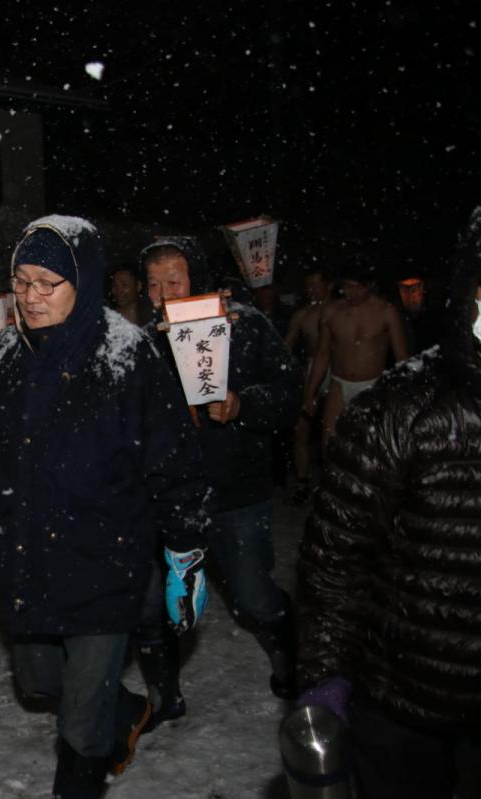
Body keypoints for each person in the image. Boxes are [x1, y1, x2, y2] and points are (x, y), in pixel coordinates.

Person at [0, 216, 210, 798]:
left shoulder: (129, 357)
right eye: (21, 282)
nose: (31, 297)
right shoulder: (6, 355)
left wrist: (185, 548)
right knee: (40, 680)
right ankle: (123, 709)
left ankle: (88, 759)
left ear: (84, 282)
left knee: (79, 726)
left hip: (104, 562)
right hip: (29, 556)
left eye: (48, 282)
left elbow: (175, 462)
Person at [296, 208, 481, 799]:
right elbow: (337, 560)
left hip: (379, 384)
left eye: (352, 282)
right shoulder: (397, 404)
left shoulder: (382, 315)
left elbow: (400, 352)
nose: (347, 289)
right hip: (405, 694)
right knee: (347, 485)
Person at [140, 236, 302, 700]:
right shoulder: (147, 339)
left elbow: (289, 392)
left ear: (197, 278)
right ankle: (163, 695)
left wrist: (242, 404)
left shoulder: (244, 324)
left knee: (254, 595)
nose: (163, 293)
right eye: (153, 283)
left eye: (174, 280)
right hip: (170, 497)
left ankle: (289, 653)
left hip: (237, 492)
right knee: (155, 601)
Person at [302, 262, 409, 447]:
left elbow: (402, 358)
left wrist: (404, 395)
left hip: (372, 385)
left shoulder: (386, 312)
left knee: (372, 446)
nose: (351, 292)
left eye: (357, 287)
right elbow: (322, 355)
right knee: (330, 444)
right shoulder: (331, 312)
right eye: (347, 286)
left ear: (369, 286)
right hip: (339, 384)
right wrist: (310, 393)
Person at [283, 268, 334, 504]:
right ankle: (303, 481)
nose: (312, 290)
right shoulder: (302, 315)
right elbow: (285, 349)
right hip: (311, 367)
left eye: (316, 284)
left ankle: (333, 482)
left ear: (328, 285)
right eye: (309, 286)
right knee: (301, 428)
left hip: (339, 369)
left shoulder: (340, 310)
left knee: (334, 431)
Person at [108, 262, 153, 326]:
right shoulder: (109, 318)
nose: (119, 291)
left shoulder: (150, 315)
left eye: (124, 285)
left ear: (138, 286)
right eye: (115, 285)